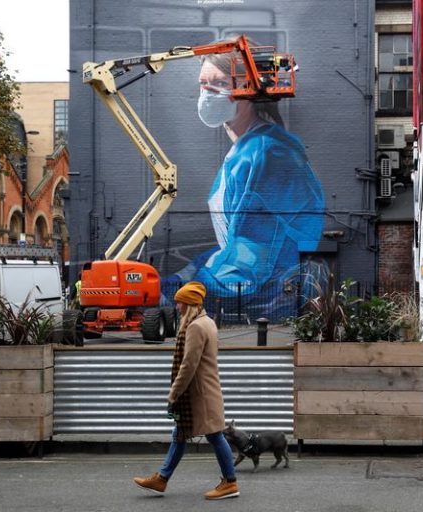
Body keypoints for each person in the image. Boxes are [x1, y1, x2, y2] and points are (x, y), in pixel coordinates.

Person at [165, 37, 326, 317]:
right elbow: (233, 246)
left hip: (270, 306)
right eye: (203, 85)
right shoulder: (247, 150)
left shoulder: (267, 155)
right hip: (258, 294)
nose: (207, 94)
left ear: (247, 89)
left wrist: (176, 293)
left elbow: (250, 262)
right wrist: (182, 277)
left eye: (218, 84)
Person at [133, 281, 239, 500]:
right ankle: (161, 479)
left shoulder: (196, 327)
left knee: (215, 436)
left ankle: (230, 482)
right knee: (181, 435)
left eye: (180, 304)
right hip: (205, 390)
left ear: (189, 305)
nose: (177, 308)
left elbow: (188, 365)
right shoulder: (207, 321)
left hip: (199, 394)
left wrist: (173, 394)